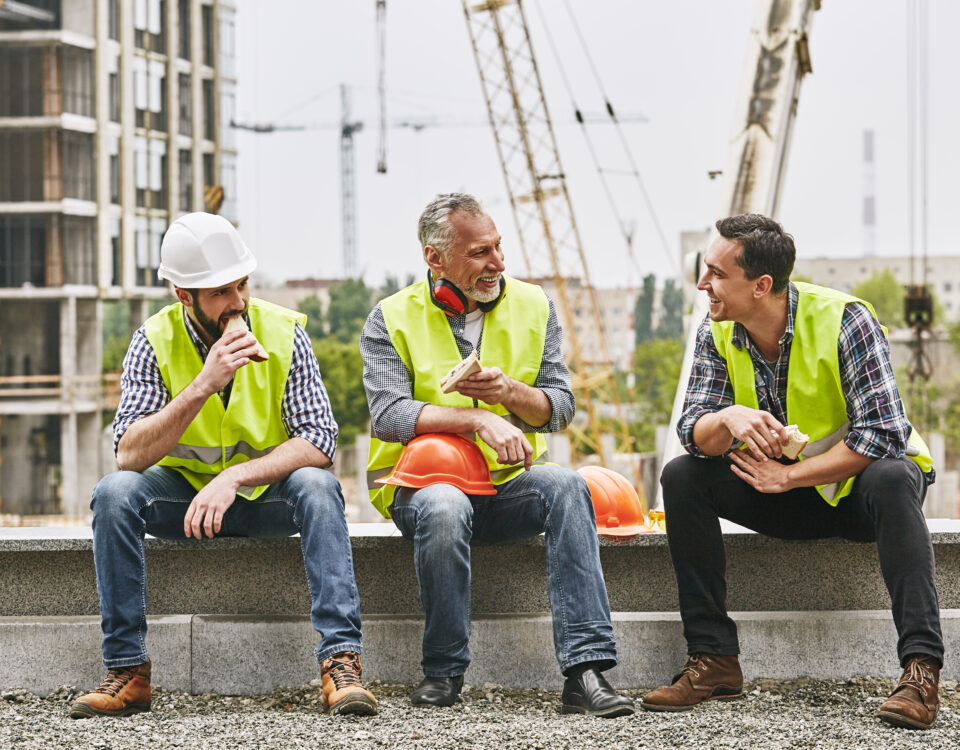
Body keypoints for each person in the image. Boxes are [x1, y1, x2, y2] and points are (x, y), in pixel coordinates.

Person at [69, 213, 376, 719]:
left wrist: (234, 477)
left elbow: (320, 439)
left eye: (242, 285)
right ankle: (128, 671)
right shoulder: (154, 340)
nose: (237, 302)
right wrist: (203, 384)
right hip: (186, 502)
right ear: (183, 295)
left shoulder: (284, 333)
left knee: (320, 485)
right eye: (220, 292)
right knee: (113, 493)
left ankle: (340, 664)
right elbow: (129, 453)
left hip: (266, 497)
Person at [642, 213, 942, 730]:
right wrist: (727, 417)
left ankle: (920, 670)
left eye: (715, 273)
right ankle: (714, 659)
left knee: (893, 476)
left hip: (861, 496)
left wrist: (789, 476)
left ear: (761, 286)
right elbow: (692, 431)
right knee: (682, 476)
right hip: (785, 494)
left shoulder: (846, 319)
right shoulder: (715, 333)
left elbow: (883, 434)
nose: (702, 284)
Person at [359, 193, 634, 717]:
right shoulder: (390, 318)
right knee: (444, 507)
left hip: (508, 485)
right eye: (480, 252)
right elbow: (389, 415)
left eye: (498, 247)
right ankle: (443, 670)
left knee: (569, 486)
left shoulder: (535, 305)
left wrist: (508, 394)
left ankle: (585, 672)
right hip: (420, 490)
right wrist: (476, 419)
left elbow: (559, 408)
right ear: (435, 259)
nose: (498, 263)